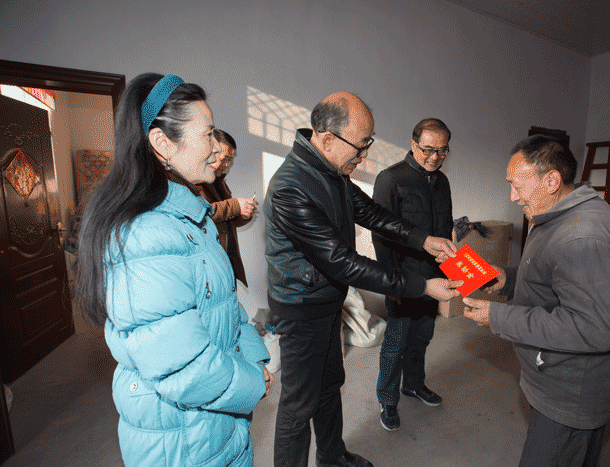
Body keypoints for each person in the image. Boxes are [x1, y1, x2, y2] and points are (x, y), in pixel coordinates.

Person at [75, 73, 272, 467]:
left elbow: (226, 305)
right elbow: (185, 367)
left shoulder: (190, 217)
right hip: (182, 441)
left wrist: (256, 358)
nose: (218, 148)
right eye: (209, 134)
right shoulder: (145, 235)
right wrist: (251, 381)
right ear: (163, 144)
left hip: (212, 425)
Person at [263, 92, 463, 467]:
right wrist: (422, 285)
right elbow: (344, 263)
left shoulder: (332, 173)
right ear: (327, 139)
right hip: (302, 308)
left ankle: (332, 456)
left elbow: (373, 214)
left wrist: (423, 239)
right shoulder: (291, 187)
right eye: (361, 145)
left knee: (329, 386)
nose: (365, 154)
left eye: (368, 143)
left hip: (327, 301)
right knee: (298, 405)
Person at [463, 135, 610, 467]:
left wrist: (499, 317)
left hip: (572, 393)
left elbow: (593, 328)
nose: (512, 196)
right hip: (560, 377)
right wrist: (509, 278)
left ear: (551, 181)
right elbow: (557, 277)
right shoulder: (558, 214)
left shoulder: (584, 237)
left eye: (517, 186)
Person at [372, 118, 453, 432]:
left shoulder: (442, 182)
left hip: (434, 277)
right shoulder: (391, 179)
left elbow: (444, 228)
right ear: (413, 144)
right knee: (396, 341)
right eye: (428, 149)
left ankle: (414, 385)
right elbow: (381, 235)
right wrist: (391, 283)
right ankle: (387, 400)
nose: (435, 157)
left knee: (422, 337)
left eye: (442, 151)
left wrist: (450, 268)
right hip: (403, 277)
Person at [198, 129, 257, 287]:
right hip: (210, 265)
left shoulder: (220, 182)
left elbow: (228, 220)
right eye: (223, 158)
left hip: (227, 260)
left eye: (229, 159)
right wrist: (236, 205)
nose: (226, 165)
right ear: (211, 152)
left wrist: (243, 215)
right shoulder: (195, 181)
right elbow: (202, 213)